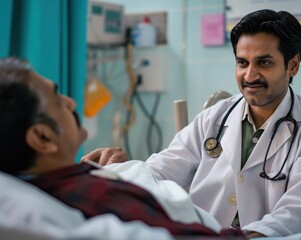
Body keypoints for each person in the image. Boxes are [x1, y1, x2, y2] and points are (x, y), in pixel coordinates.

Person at [83, 9, 301, 238]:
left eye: (264, 62)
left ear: (292, 65)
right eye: (242, 63)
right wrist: (121, 172)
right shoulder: (214, 118)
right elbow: (161, 170)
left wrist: (251, 235)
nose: (250, 75)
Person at [0, 57, 244, 239]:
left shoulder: (75, 178)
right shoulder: (93, 195)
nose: (71, 102)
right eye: (57, 99)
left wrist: (114, 171)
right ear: (43, 138)